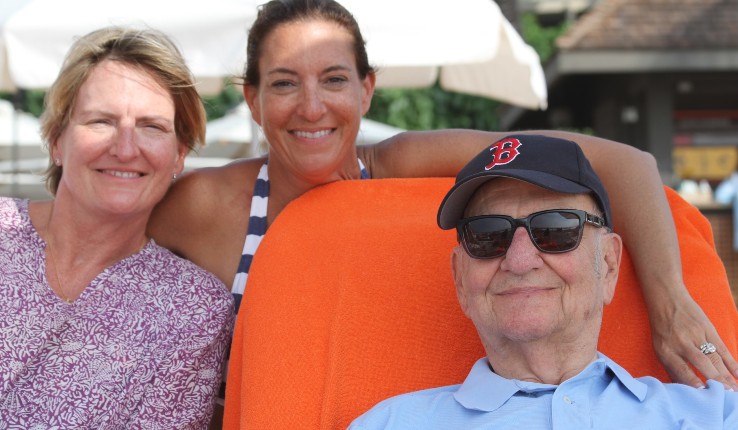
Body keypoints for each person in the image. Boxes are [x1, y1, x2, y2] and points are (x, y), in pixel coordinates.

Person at [150, 0, 737, 409]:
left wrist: (670, 304)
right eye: (283, 83)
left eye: (334, 79)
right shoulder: (206, 205)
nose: (311, 107)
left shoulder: (401, 161)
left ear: (367, 89)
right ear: (252, 99)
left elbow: (625, 163)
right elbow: (97, 240)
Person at [349, 134, 738, 429]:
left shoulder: (713, 415)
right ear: (461, 281)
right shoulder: (391, 424)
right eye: (487, 235)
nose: (519, 260)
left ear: (609, 263)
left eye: (555, 229)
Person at [0, 27, 234, 427]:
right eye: (101, 121)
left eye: (152, 127)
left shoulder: (191, 309)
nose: (125, 148)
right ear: (57, 141)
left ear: (179, 155)